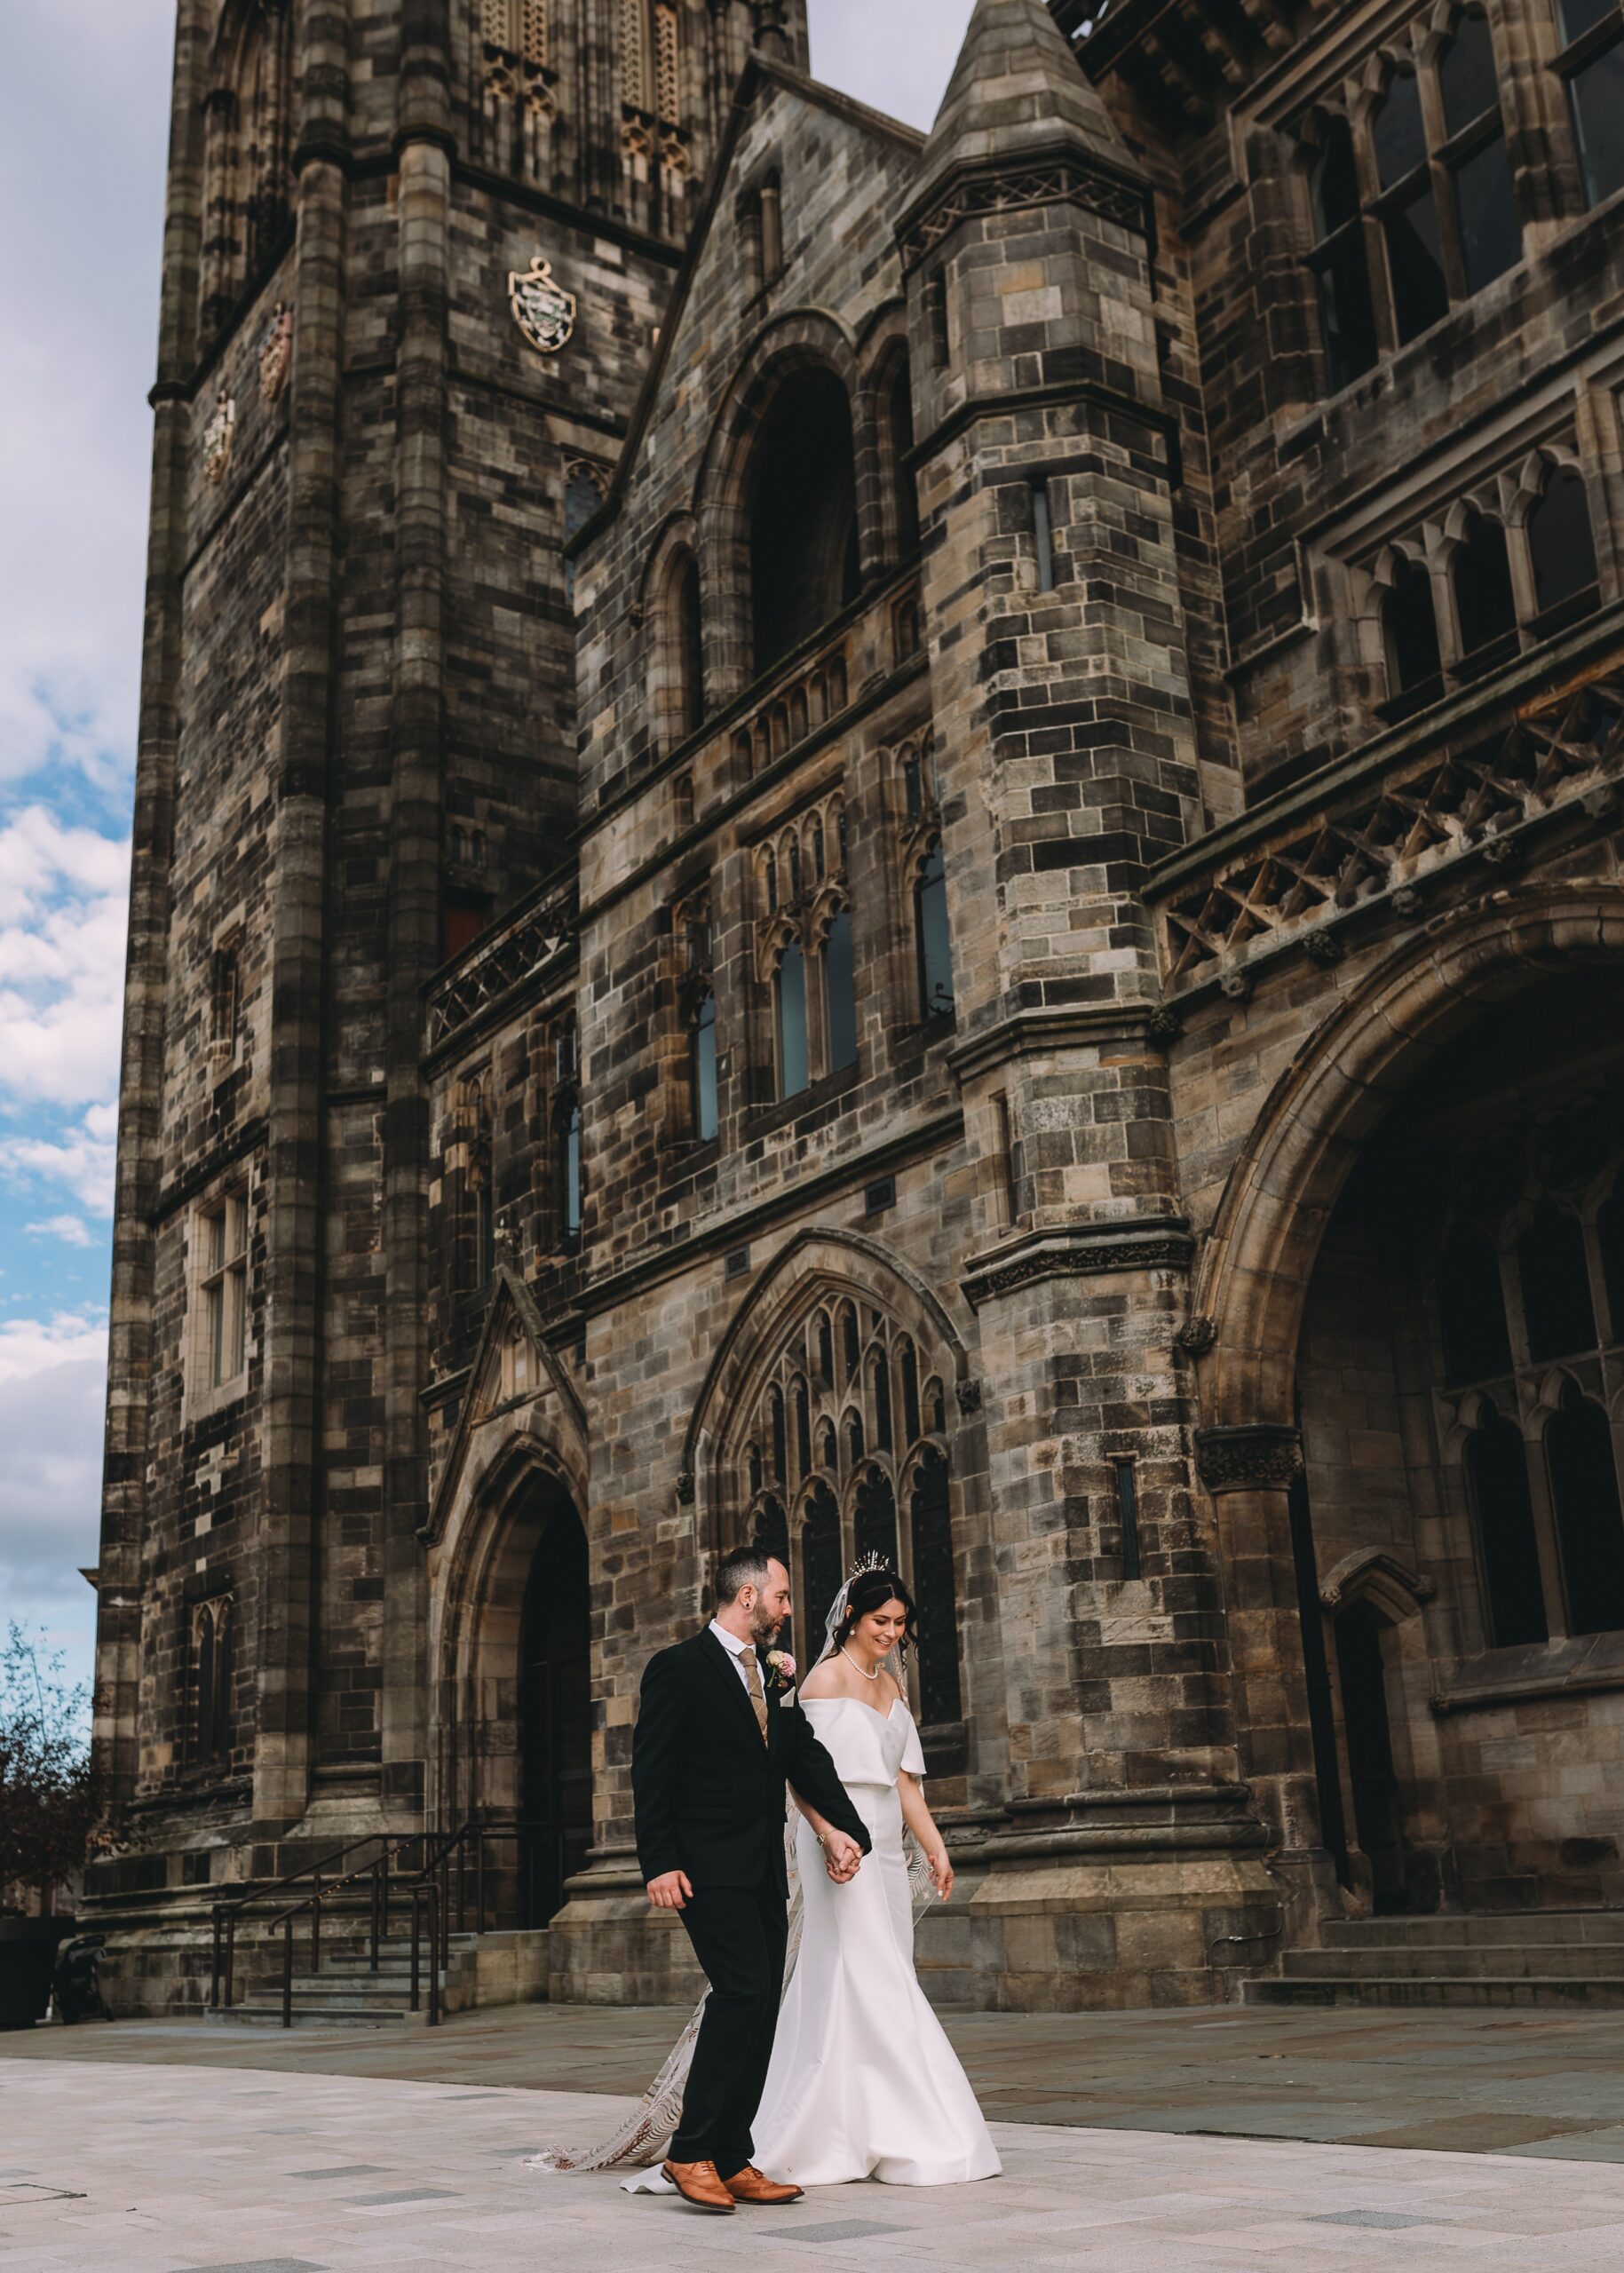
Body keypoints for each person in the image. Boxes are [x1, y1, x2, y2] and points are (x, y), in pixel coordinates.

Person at [628, 1544, 874, 2213]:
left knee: (761, 2001)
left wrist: (844, 1827)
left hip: (762, 1864)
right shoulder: (678, 1668)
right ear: (747, 1598)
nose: (788, 1608)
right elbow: (651, 1773)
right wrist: (659, 1862)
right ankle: (689, 2151)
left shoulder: (772, 1673)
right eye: (782, 1596)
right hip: (702, 1867)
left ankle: (732, 2158)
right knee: (740, 1991)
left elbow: (801, 1755)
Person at [751, 1563, 1001, 2187]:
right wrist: (826, 1832)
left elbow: (905, 1784)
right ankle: (877, 2122)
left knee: (886, 1960)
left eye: (899, 1624)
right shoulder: (823, 1679)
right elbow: (797, 1773)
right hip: (837, 1835)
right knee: (861, 1966)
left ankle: (868, 2116)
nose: (891, 1633)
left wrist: (936, 1849)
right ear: (852, 1619)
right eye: (880, 1622)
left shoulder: (891, 1688)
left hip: (886, 1842)